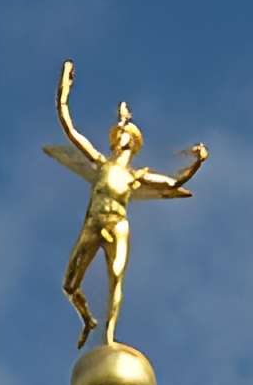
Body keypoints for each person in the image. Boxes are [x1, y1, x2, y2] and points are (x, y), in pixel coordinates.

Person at [43, 59, 208, 346]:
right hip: (93, 224)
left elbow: (173, 184)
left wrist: (197, 163)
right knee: (69, 285)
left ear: (129, 141)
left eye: (120, 133)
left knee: (115, 278)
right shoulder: (99, 162)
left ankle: (109, 335)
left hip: (117, 224)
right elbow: (69, 127)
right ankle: (88, 320)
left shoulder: (137, 177)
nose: (115, 136)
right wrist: (64, 90)